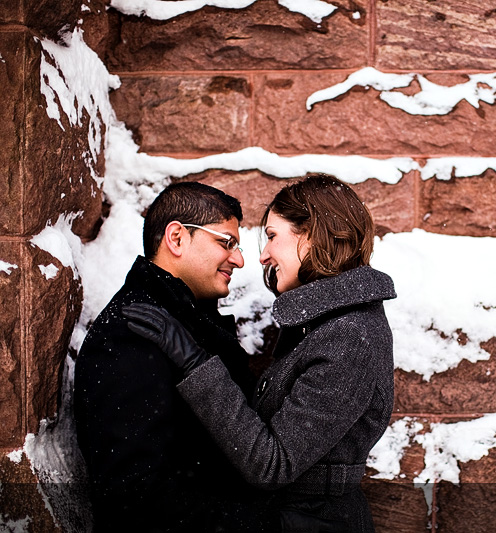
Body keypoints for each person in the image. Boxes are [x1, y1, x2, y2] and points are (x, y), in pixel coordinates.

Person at [123, 174, 396, 532]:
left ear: (312, 235)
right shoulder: (322, 324)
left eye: (271, 236)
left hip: (314, 521)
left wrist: (195, 362)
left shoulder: (347, 336)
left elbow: (272, 464)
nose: (263, 254)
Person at [74, 182, 268, 532]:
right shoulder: (132, 333)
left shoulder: (187, 320)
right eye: (226, 242)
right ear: (176, 238)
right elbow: (135, 497)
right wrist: (269, 524)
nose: (239, 259)